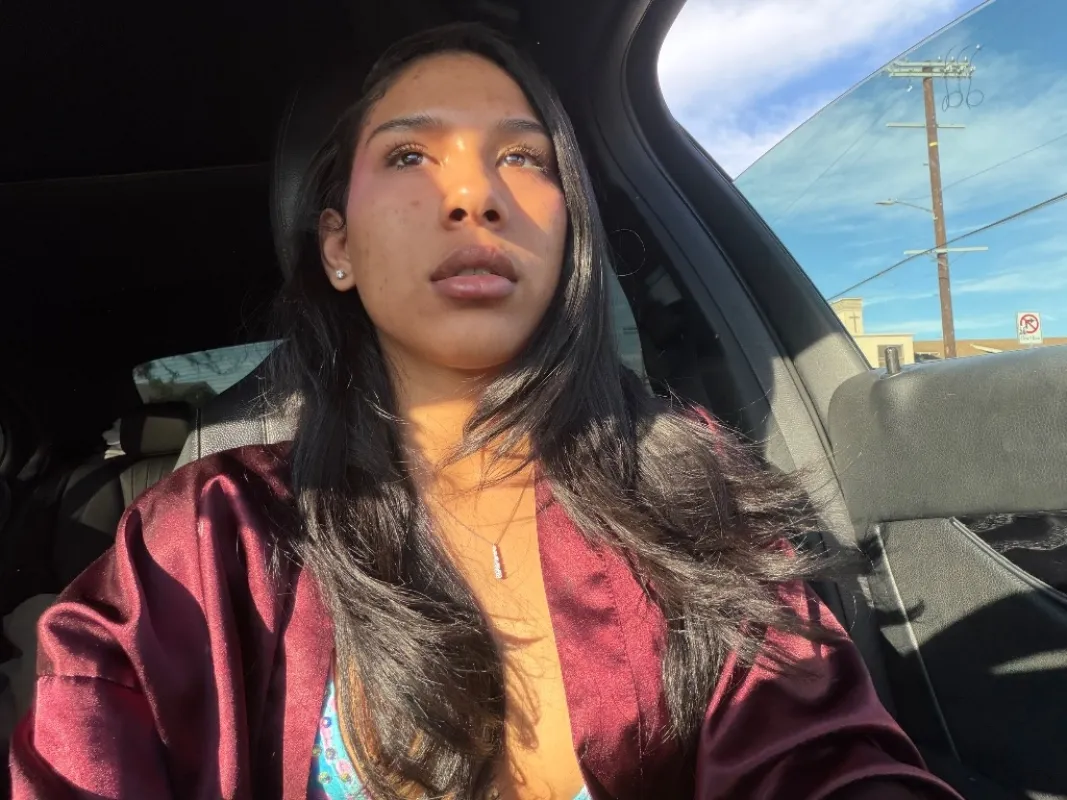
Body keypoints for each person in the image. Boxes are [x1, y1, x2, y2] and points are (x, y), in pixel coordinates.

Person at [9, 23, 962, 800]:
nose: (474, 196)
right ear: (336, 247)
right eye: (410, 154)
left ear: (567, 232)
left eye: (521, 157)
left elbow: (826, 760)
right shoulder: (202, 541)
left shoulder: (694, 496)